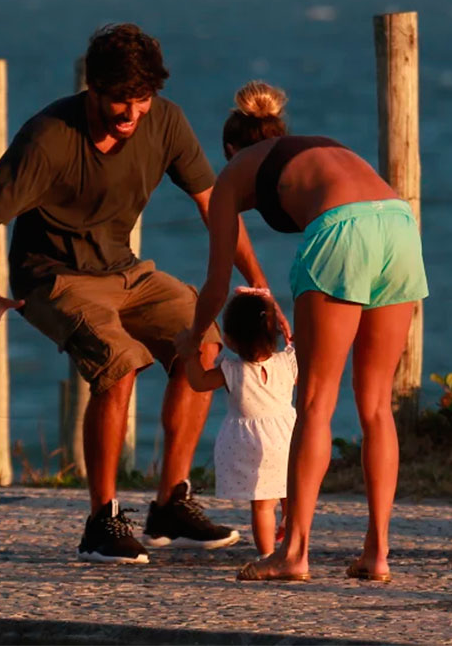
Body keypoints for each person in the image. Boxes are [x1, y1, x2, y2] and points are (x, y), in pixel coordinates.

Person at [0, 24, 287, 564]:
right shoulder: (48, 135)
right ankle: (102, 521)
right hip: (52, 277)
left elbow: (217, 206)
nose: (131, 114)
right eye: (120, 100)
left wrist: (258, 285)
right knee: (119, 363)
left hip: (123, 269)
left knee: (203, 340)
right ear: (93, 89)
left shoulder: (165, 122)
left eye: (141, 101)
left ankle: (169, 506)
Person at [180, 81, 428, 582]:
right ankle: (377, 554)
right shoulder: (316, 147)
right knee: (377, 405)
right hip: (399, 223)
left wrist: (191, 337)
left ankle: (293, 552)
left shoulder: (230, 175)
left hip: (342, 229)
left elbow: (215, 282)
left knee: (316, 401)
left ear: (231, 149)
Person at [179, 286, 296, 558]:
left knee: (263, 505)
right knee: (291, 493)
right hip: (288, 438)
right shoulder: (289, 363)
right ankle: (290, 535)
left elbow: (198, 383)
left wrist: (190, 355)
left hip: (252, 446)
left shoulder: (230, 370)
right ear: (276, 333)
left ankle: (267, 556)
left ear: (230, 340)